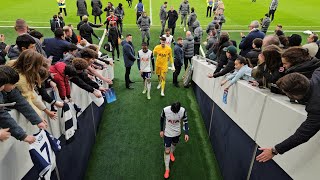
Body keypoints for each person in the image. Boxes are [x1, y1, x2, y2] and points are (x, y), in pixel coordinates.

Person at [256, 69, 320, 162]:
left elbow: (302, 135)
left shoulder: (316, 107)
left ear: (295, 96)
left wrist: (274, 150)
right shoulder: (317, 72)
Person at [160, 101, 189, 179]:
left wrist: (186, 133)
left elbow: (186, 121)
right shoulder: (165, 110)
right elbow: (162, 119)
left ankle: (172, 153)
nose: (175, 113)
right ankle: (167, 169)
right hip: (168, 133)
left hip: (177, 132)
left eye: (176, 112)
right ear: (171, 108)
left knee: (174, 144)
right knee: (167, 151)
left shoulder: (183, 111)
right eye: (173, 111)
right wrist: (161, 130)